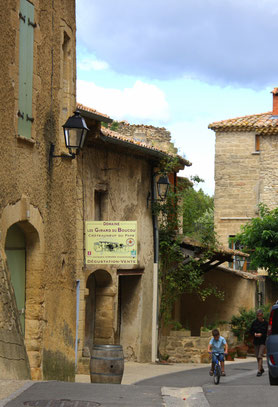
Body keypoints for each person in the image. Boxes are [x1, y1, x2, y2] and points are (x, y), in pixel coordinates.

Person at [250, 309, 268, 376]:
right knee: (257, 356)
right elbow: (251, 331)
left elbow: (267, 333)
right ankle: (261, 368)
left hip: (263, 341)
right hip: (256, 341)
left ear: (262, 315)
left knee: (260, 355)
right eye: (258, 316)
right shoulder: (254, 323)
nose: (259, 317)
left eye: (260, 315)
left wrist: (261, 335)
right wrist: (254, 334)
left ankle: (259, 371)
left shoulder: (266, 323)